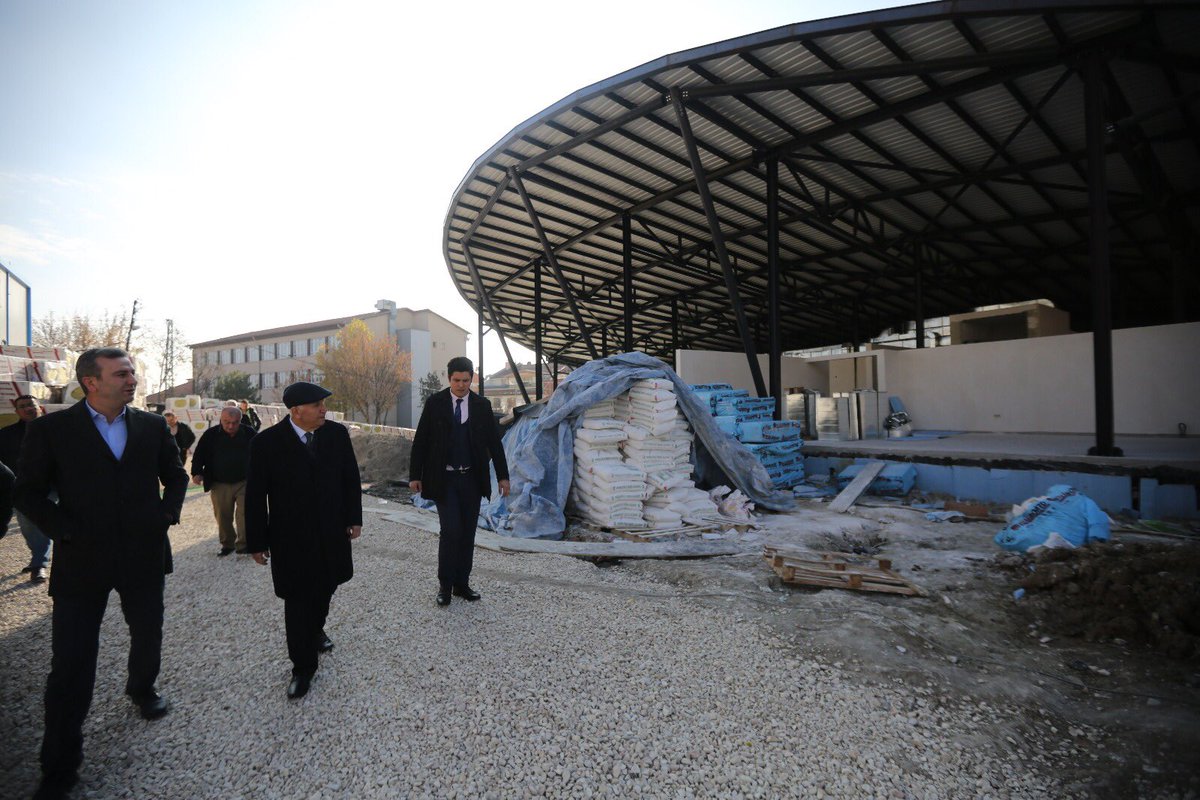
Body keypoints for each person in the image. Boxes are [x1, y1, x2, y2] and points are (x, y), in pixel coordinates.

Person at [14, 347, 188, 800]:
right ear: (91, 382)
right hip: (81, 560)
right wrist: (64, 533)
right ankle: (59, 767)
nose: (132, 380)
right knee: (70, 662)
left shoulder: (150, 426)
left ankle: (142, 688)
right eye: (123, 373)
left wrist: (166, 516)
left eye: (133, 372)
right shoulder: (52, 430)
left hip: (143, 556)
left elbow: (176, 476)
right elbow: (28, 494)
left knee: (148, 631)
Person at [245, 381, 362, 700]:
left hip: (331, 532)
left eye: (324, 404)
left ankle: (316, 628)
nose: (324, 409)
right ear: (297, 411)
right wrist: (256, 540)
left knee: (327, 587)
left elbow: (350, 478)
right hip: (290, 539)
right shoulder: (266, 444)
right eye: (317, 405)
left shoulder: (336, 435)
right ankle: (302, 667)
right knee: (297, 600)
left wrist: (354, 518)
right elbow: (255, 496)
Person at [409, 356, 510, 607]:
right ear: (449, 378)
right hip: (445, 479)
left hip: (472, 479)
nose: (461, 385)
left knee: (467, 532)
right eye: (457, 380)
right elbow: (421, 439)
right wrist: (414, 475)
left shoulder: (481, 406)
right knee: (451, 531)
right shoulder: (435, 403)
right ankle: (444, 585)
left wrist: (503, 476)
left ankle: (461, 584)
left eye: (466, 380)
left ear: (472, 378)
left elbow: (494, 445)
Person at [190, 406, 255, 556]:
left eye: (235, 422)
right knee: (222, 515)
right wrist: (197, 472)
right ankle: (228, 544)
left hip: (244, 481)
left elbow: (260, 454)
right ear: (221, 419)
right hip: (219, 482)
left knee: (245, 513)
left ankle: (244, 544)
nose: (231, 426)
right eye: (227, 422)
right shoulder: (210, 435)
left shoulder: (249, 433)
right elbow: (199, 455)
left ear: (240, 421)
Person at [0, 395, 52, 582]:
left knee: (43, 521)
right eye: (22, 406)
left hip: (53, 485)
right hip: (23, 487)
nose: (28, 408)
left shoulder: (56, 429)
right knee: (28, 523)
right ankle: (38, 559)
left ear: (40, 407)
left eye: (31, 404)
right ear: (17, 412)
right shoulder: (6, 435)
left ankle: (41, 563)